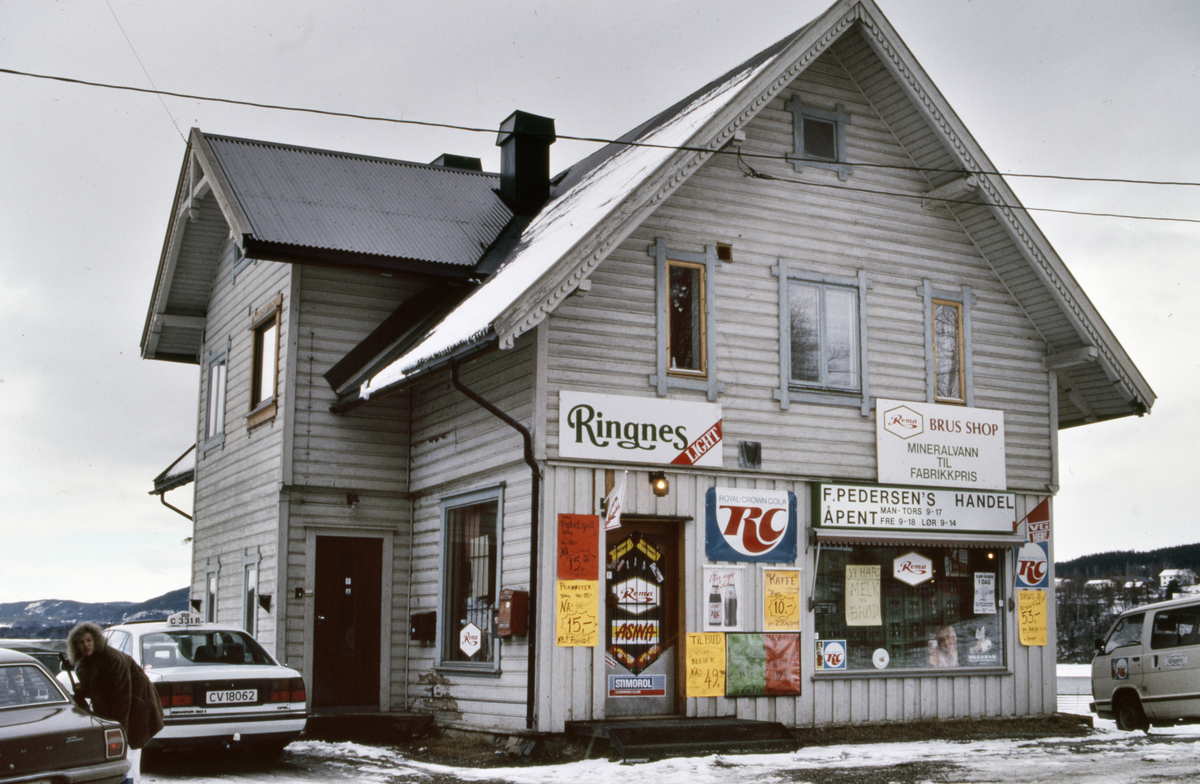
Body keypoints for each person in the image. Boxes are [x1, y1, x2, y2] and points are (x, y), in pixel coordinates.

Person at [68, 622, 164, 783]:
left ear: (96, 640)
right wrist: (83, 690)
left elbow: (122, 698)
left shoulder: (112, 659)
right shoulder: (88, 661)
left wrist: (120, 734)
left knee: (127, 759)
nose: (86, 645)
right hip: (117, 713)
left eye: (89, 640)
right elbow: (101, 688)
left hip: (135, 711)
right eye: (80, 642)